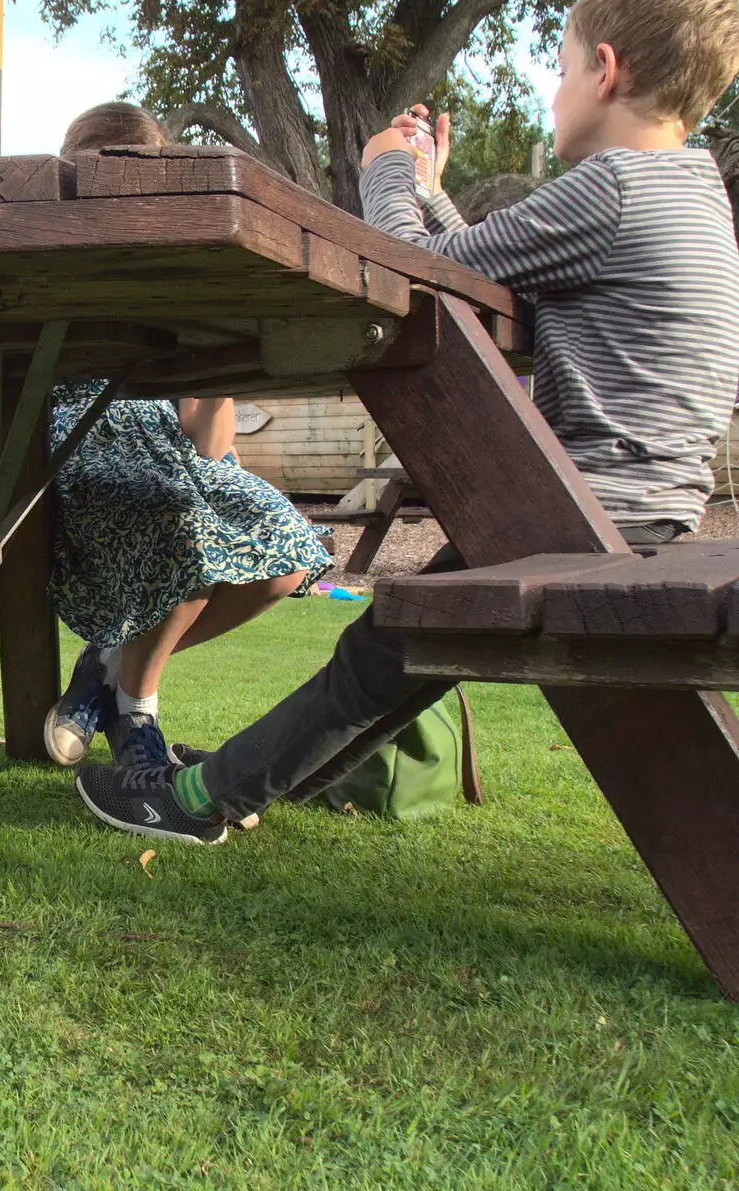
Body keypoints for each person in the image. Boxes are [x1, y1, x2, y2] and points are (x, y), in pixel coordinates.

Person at [75, 0, 739, 844]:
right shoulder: (687, 190)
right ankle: (264, 773)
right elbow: (493, 271)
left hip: (582, 507)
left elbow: (427, 278)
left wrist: (383, 174)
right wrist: (429, 192)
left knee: (397, 638)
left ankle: (201, 798)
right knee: (405, 640)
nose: (558, 87)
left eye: (564, 68)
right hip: (642, 502)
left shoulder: (611, 188)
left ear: (607, 72)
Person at [42, 101, 333, 770]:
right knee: (190, 533)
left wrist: (214, 357)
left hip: (165, 443)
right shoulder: (54, 263)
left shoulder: (174, 269)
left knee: (287, 553)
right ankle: (136, 710)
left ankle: (106, 667)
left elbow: (207, 442)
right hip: (82, 437)